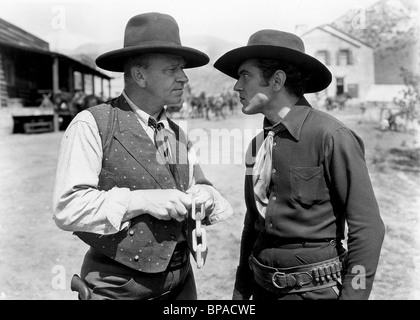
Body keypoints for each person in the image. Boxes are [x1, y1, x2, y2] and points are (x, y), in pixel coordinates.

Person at [52, 12, 232, 300]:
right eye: (172, 69)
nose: (184, 78)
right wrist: (140, 200)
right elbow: (67, 207)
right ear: (139, 75)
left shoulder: (177, 133)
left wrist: (205, 195)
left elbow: (201, 184)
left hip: (182, 284)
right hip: (118, 288)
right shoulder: (92, 124)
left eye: (182, 69)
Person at [214, 29, 385, 300]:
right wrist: (240, 292)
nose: (237, 86)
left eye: (245, 75)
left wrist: (355, 296)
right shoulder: (258, 146)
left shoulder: (331, 137)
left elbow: (368, 228)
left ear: (277, 80)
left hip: (313, 293)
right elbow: (252, 225)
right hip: (262, 289)